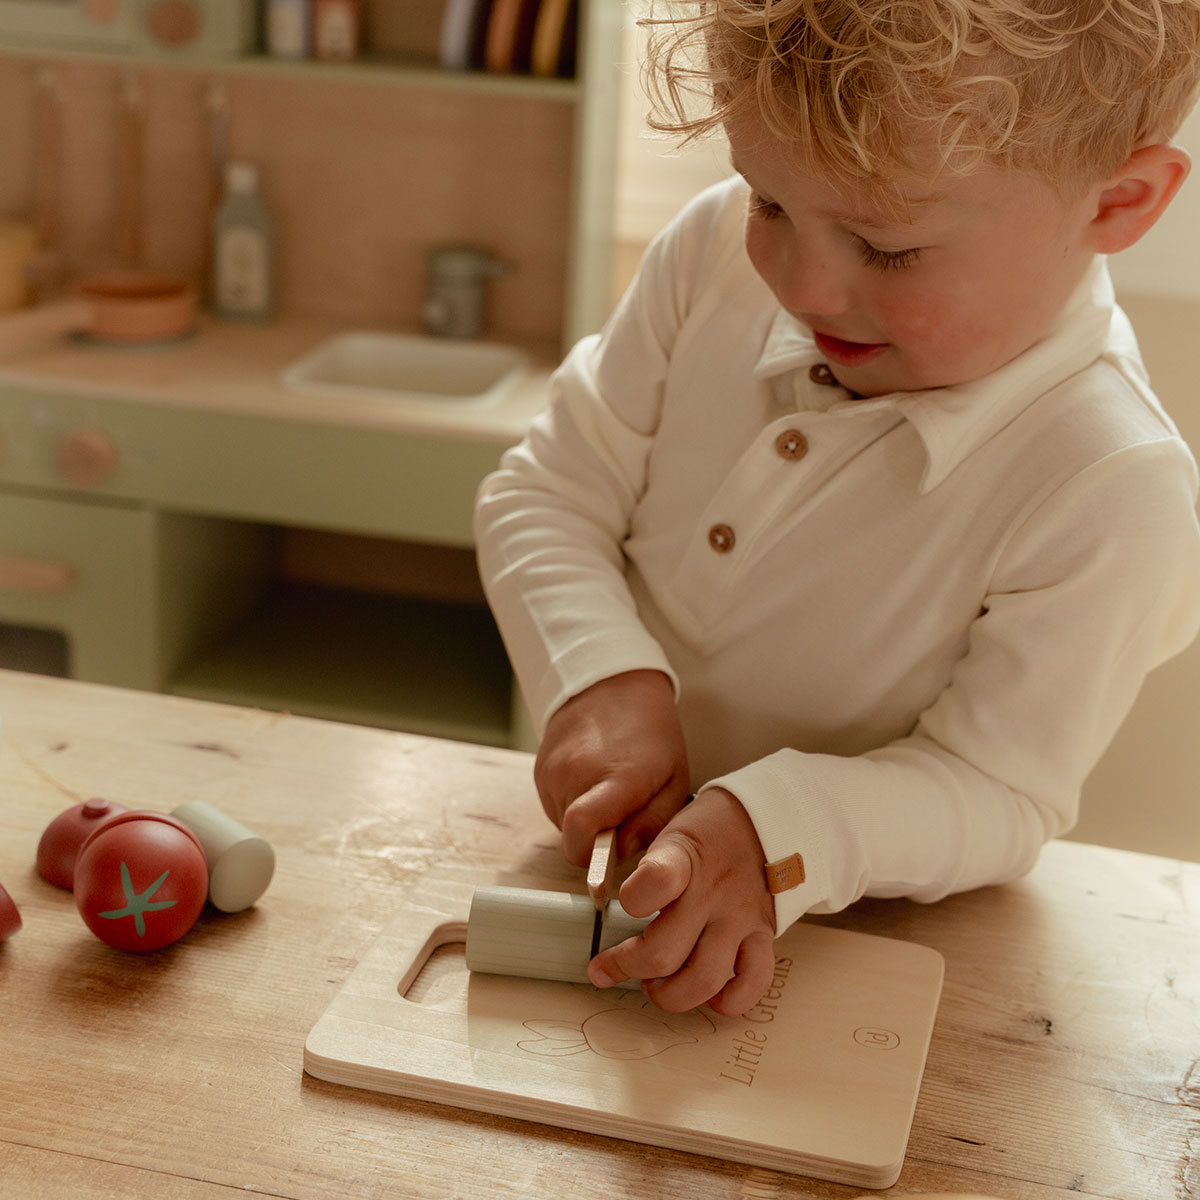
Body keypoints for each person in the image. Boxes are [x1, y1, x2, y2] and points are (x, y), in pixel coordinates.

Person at [473, 0, 1200, 1016]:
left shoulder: (1112, 485)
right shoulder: (713, 253)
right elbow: (546, 493)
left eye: (887, 247)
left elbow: (1000, 791)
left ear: (1117, 202)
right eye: (769, 200)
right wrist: (595, 677)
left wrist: (773, 826)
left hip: (865, 969)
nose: (802, 286)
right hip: (601, 896)